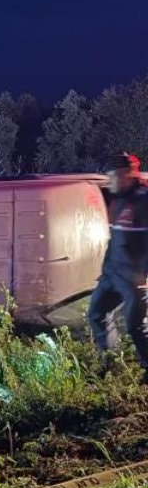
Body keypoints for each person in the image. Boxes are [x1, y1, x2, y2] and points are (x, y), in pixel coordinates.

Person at [88, 152, 148, 381]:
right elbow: (115, 239)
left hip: (134, 278)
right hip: (113, 274)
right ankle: (111, 364)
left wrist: (143, 275)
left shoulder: (144, 200)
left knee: (136, 326)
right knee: (96, 314)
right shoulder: (118, 199)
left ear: (128, 175)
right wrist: (106, 271)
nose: (110, 182)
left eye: (113, 177)